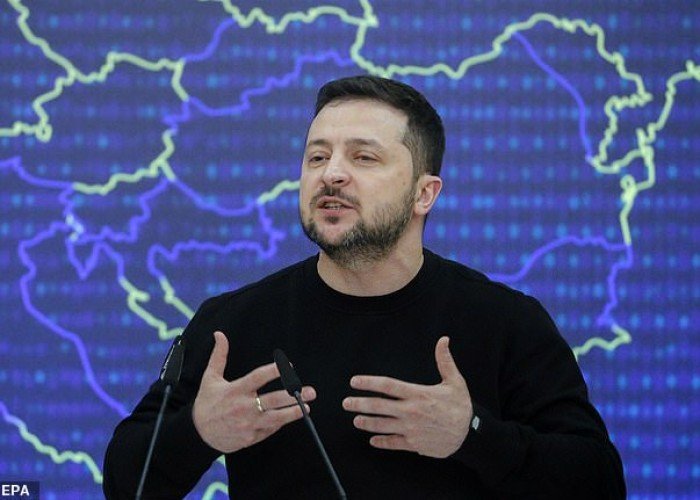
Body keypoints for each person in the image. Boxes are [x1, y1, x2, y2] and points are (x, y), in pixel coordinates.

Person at [103, 75, 626, 498]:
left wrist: (472, 435)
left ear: (424, 194)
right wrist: (199, 432)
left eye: (363, 157)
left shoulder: (506, 322)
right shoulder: (232, 324)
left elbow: (599, 483)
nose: (331, 174)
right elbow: (125, 483)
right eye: (317, 157)